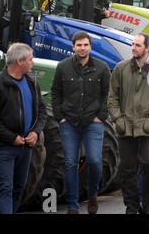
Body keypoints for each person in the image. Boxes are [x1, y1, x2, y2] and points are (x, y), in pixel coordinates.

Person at [108, 33, 149, 214]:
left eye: (137, 45)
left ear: (147, 48)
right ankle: (131, 205)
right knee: (127, 169)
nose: (133, 48)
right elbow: (112, 97)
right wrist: (118, 119)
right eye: (133, 45)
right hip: (125, 126)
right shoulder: (121, 69)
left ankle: (148, 204)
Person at [0, 43, 46, 214]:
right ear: (20, 61)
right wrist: (11, 137)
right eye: (30, 59)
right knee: (5, 188)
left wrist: (35, 132)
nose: (33, 62)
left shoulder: (32, 83)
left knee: (19, 188)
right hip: (4, 147)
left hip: (26, 148)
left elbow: (42, 112)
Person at [51, 32, 111, 214]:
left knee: (94, 161)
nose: (82, 48)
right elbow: (55, 93)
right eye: (79, 45)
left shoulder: (102, 68)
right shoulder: (63, 67)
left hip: (93, 122)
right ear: (73, 47)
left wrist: (101, 116)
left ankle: (92, 194)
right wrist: (60, 117)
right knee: (70, 163)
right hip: (69, 122)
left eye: (85, 45)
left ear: (90, 47)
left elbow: (107, 95)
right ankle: (72, 205)